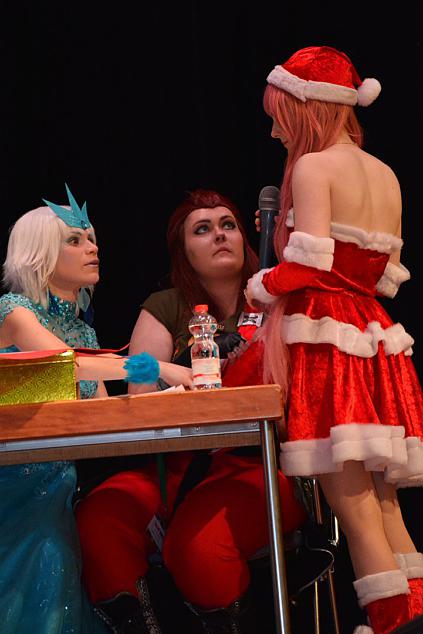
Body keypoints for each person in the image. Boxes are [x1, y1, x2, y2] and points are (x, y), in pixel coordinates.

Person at [245, 46, 423, 634]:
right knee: (387, 510)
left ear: (308, 108)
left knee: (357, 512)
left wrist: (261, 286)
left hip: (329, 342)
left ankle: (391, 624)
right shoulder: (386, 174)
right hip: (373, 336)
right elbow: (385, 276)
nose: (275, 132)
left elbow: (309, 264)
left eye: (280, 117)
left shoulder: (314, 168)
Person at [75, 188, 308, 633]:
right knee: (98, 522)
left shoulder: (278, 297)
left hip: (258, 463)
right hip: (174, 464)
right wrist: (186, 364)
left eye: (228, 225)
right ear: (183, 251)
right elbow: (141, 399)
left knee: (199, 545)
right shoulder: (166, 306)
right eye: (202, 229)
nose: (219, 235)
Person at [0, 185, 192, 634]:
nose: (93, 248)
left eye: (92, 238)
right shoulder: (14, 311)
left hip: (59, 486)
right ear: (39, 253)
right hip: (12, 483)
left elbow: (102, 419)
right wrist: (160, 367)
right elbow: (65, 366)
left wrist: (159, 402)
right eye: (75, 240)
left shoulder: (84, 334)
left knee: (59, 585)